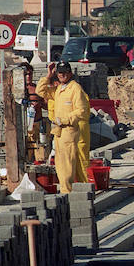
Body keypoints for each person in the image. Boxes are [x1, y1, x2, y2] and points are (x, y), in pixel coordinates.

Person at [36, 61, 90, 193]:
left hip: (69, 130)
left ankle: (67, 192)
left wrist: (65, 120)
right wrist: (48, 76)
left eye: (65, 72)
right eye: (60, 73)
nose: (62, 75)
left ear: (70, 73)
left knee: (67, 163)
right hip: (58, 131)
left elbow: (82, 111)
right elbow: (40, 91)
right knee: (60, 163)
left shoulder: (75, 89)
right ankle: (66, 190)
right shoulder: (59, 89)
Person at [20, 63, 47, 163]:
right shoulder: (18, 90)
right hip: (24, 127)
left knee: (40, 153)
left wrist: (39, 103)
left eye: (30, 74)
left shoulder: (36, 88)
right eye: (26, 74)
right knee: (26, 153)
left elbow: (46, 105)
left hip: (37, 124)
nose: (28, 76)